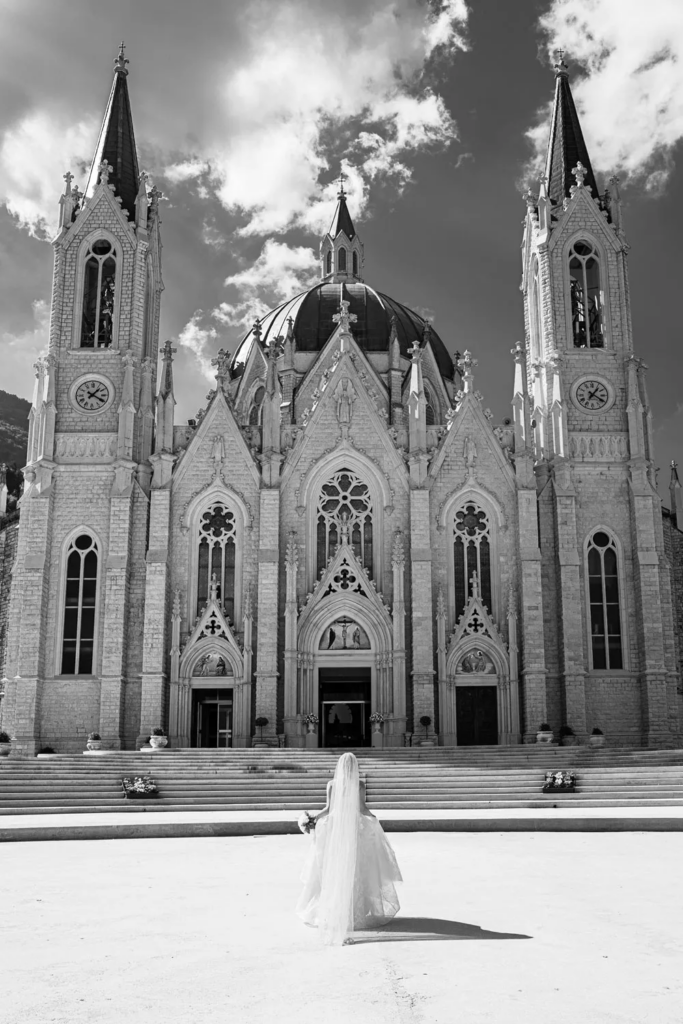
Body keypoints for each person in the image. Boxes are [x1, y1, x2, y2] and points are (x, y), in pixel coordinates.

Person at [296, 751, 402, 946]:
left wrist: (312, 819)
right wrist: (374, 819)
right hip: (354, 828)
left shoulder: (331, 785)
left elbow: (327, 809)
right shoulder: (359, 785)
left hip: (335, 829)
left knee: (334, 869)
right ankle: (354, 911)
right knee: (355, 868)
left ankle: (334, 910)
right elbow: (362, 809)